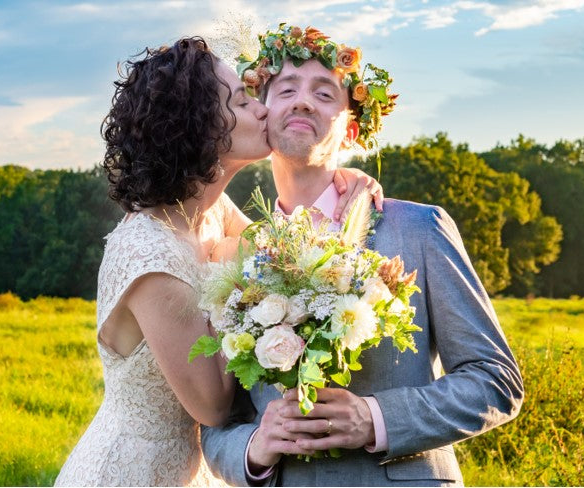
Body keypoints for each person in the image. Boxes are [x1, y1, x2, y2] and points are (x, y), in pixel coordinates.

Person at [200, 25, 524, 487]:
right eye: (286, 88)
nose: (304, 101)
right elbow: (216, 421)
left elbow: (496, 381)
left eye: (325, 93)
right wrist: (255, 449)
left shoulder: (420, 229)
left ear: (351, 129)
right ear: (261, 114)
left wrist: (376, 419)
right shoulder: (237, 256)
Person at [54, 36, 383, 487]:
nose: (264, 109)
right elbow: (212, 404)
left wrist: (345, 177)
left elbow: (277, 246)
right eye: (245, 102)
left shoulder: (209, 211)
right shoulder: (151, 254)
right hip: (132, 472)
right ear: (203, 127)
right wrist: (232, 261)